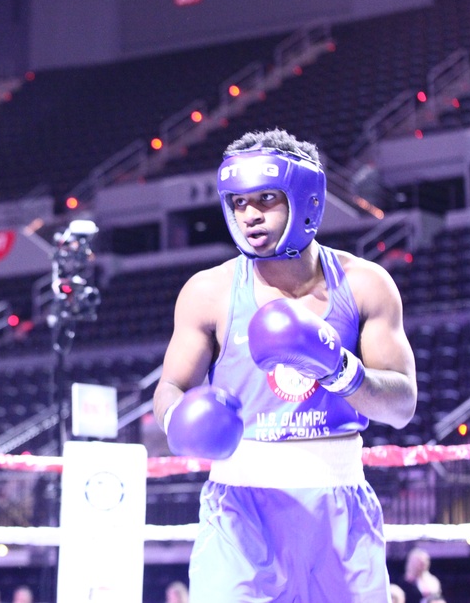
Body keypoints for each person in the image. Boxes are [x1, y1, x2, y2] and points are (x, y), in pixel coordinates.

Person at [152, 129, 417, 601]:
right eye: (237, 202)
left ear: (305, 198)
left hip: (339, 504)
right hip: (240, 507)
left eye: (266, 199)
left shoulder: (365, 284)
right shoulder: (207, 292)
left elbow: (401, 406)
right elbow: (170, 386)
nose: (249, 214)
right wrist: (178, 418)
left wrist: (338, 368)